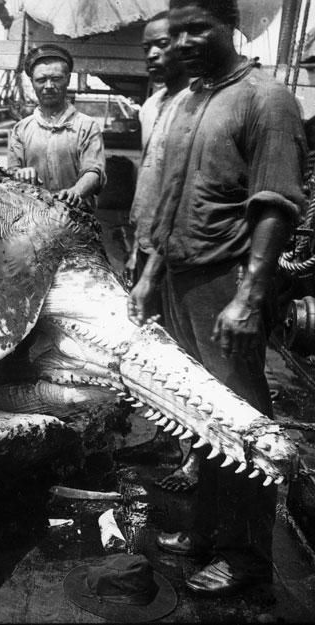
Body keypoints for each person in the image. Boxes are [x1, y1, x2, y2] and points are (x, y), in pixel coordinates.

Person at [128, 0, 307, 597]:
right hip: (178, 278)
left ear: (230, 27)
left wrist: (249, 297)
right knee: (199, 417)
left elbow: (275, 204)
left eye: (198, 29)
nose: (183, 43)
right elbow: (170, 198)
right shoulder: (188, 99)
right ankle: (207, 532)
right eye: (176, 32)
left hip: (228, 282)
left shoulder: (267, 100)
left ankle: (246, 558)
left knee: (239, 420)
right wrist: (151, 276)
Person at [117, 12, 200, 493]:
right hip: (148, 245)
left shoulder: (199, 102)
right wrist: (136, 249)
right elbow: (150, 183)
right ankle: (168, 440)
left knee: (189, 356)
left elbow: (182, 193)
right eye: (146, 47)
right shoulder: (151, 105)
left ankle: (198, 460)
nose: (152, 54)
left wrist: (155, 264)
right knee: (156, 347)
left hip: (181, 253)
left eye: (162, 44)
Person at [8, 44, 106, 209]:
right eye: (41, 80)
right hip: (32, 214)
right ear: (32, 82)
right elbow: (9, 175)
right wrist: (19, 174)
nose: (48, 86)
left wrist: (76, 191)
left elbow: (94, 171)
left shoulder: (87, 126)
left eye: (56, 78)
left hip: (76, 214)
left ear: (68, 79)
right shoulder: (20, 129)